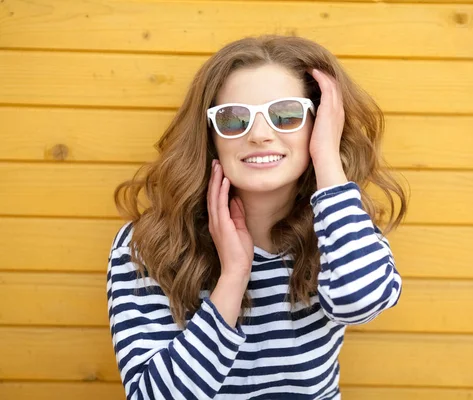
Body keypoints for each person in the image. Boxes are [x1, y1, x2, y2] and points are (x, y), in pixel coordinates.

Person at [107, 34, 407, 400]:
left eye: (287, 115)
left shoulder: (339, 229)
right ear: (210, 136)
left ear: (318, 126)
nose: (260, 135)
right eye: (234, 119)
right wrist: (233, 277)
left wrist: (328, 159)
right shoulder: (149, 245)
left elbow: (361, 301)